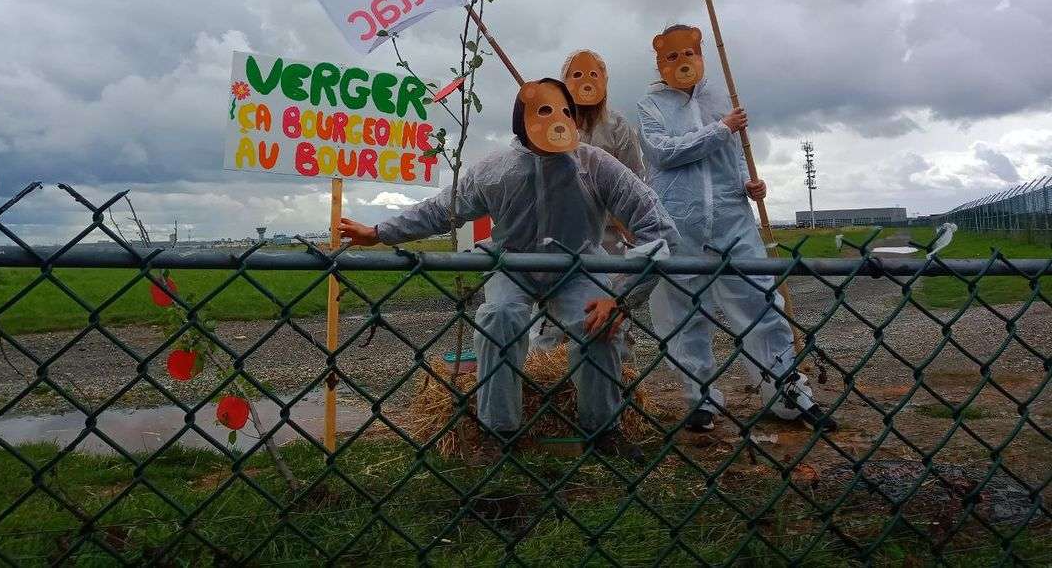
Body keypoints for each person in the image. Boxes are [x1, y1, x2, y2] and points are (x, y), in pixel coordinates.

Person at [340, 78, 681, 463]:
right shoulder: (496, 170)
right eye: (546, 111)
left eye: (566, 112)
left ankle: (603, 429)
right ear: (522, 121)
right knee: (499, 317)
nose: (559, 119)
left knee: (599, 328)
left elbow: (658, 227)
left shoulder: (595, 165)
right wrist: (380, 233)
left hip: (578, 266)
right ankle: (497, 430)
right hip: (512, 262)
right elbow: (441, 210)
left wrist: (618, 296)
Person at [638, 24, 837, 434]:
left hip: (733, 219)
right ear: (659, 63)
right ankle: (701, 398)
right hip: (679, 224)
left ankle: (786, 393)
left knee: (761, 304)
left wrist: (751, 181)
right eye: (671, 57)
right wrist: (722, 127)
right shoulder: (650, 106)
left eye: (688, 53)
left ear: (702, 55)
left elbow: (736, 156)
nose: (681, 62)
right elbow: (663, 153)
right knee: (685, 314)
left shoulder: (724, 98)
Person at [529, 50, 645, 359]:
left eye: (593, 74)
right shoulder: (548, 121)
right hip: (561, 232)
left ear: (605, 81)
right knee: (554, 314)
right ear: (564, 82)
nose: (585, 81)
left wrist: (627, 221)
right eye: (576, 75)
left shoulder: (620, 128)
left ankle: (619, 381)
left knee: (608, 309)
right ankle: (545, 379)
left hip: (610, 234)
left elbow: (635, 180)